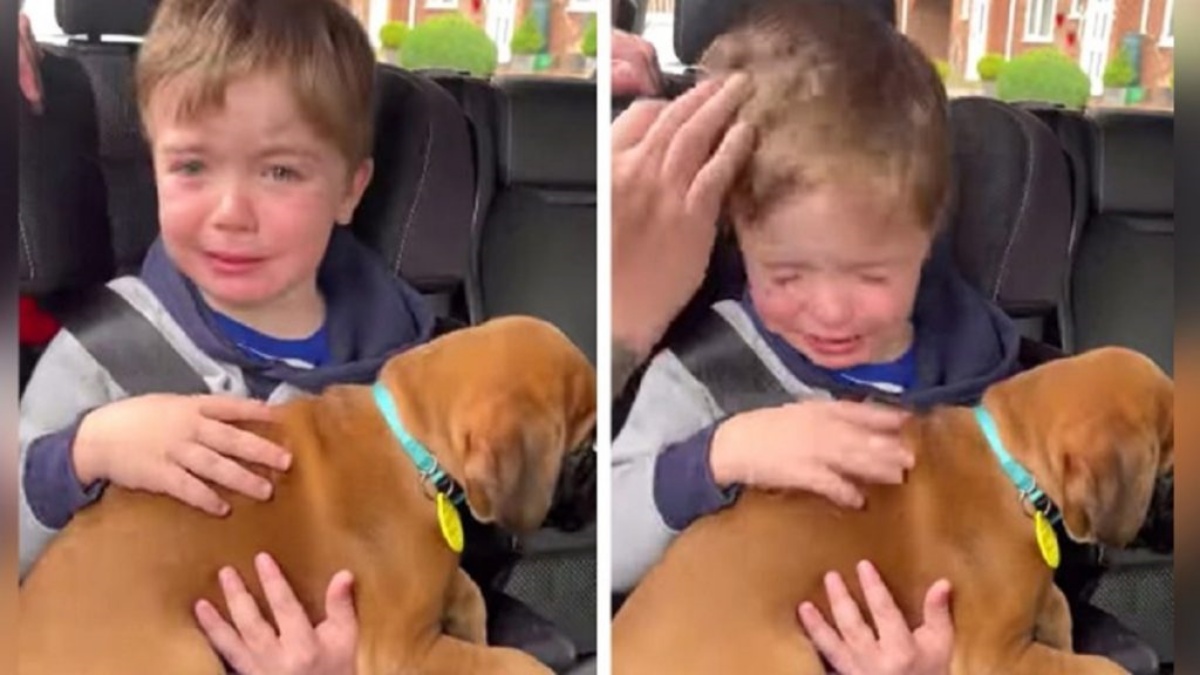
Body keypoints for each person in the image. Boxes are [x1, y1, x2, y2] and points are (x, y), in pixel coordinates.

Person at [17, 0, 434, 671]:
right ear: (152, 165)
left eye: (280, 171)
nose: (231, 212)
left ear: (350, 191)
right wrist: (81, 453)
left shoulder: (412, 372)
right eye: (191, 167)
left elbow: (432, 559)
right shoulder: (101, 352)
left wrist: (368, 656)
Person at [610, 1, 1019, 672]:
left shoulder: (982, 384)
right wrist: (719, 454)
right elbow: (615, 546)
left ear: (928, 237)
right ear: (736, 234)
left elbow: (1003, 568)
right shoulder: (708, 374)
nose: (830, 310)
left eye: (870, 273)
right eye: (787, 271)